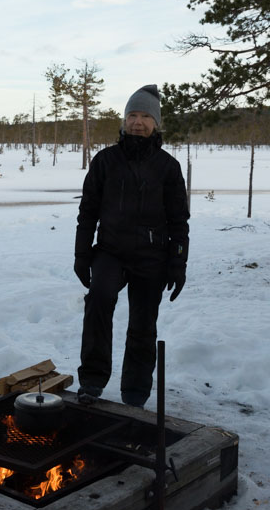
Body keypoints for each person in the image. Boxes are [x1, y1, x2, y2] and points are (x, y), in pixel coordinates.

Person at [73, 84, 189, 407]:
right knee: (99, 299)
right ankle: (92, 382)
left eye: (145, 116)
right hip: (110, 251)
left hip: (151, 256)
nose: (137, 122)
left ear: (156, 124)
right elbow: (88, 212)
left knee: (142, 324)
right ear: (124, 120)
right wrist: (82, 256)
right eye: (132, 115)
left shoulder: (168, 168)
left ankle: (135, 394)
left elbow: (180, 222)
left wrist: (178, 264)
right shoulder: (105, 161)